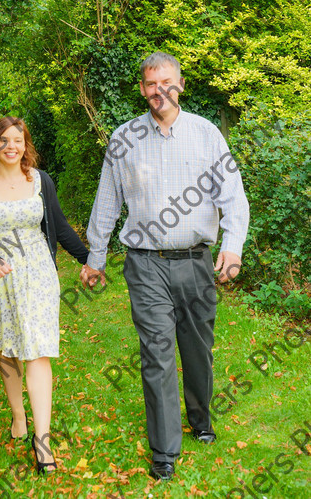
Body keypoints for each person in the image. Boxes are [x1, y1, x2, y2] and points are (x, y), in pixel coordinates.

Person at [80, 52, 249, 481]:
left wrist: (232, 246)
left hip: (196, 261)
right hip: (145, 263)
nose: (160, 91)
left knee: (196, 350)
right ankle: (165, 450)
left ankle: (200, 416)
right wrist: (95, 258)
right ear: (142, 88)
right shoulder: (123, 139)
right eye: (152, 84)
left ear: (181, 83)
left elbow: (233, 195)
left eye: (167, 82)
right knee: (156, 351)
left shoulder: (207, 134)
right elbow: (106, 203)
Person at [0, 116, 89, 474]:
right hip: (0, 276)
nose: (11, 146)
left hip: (40, 275)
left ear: (25, 144)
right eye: (4, 140)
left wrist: (89, 260)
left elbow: (59, 226)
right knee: (9, 347)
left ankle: (42, 441)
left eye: (18, 139)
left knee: (38, 349)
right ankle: (19, 415)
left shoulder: (41, 181)